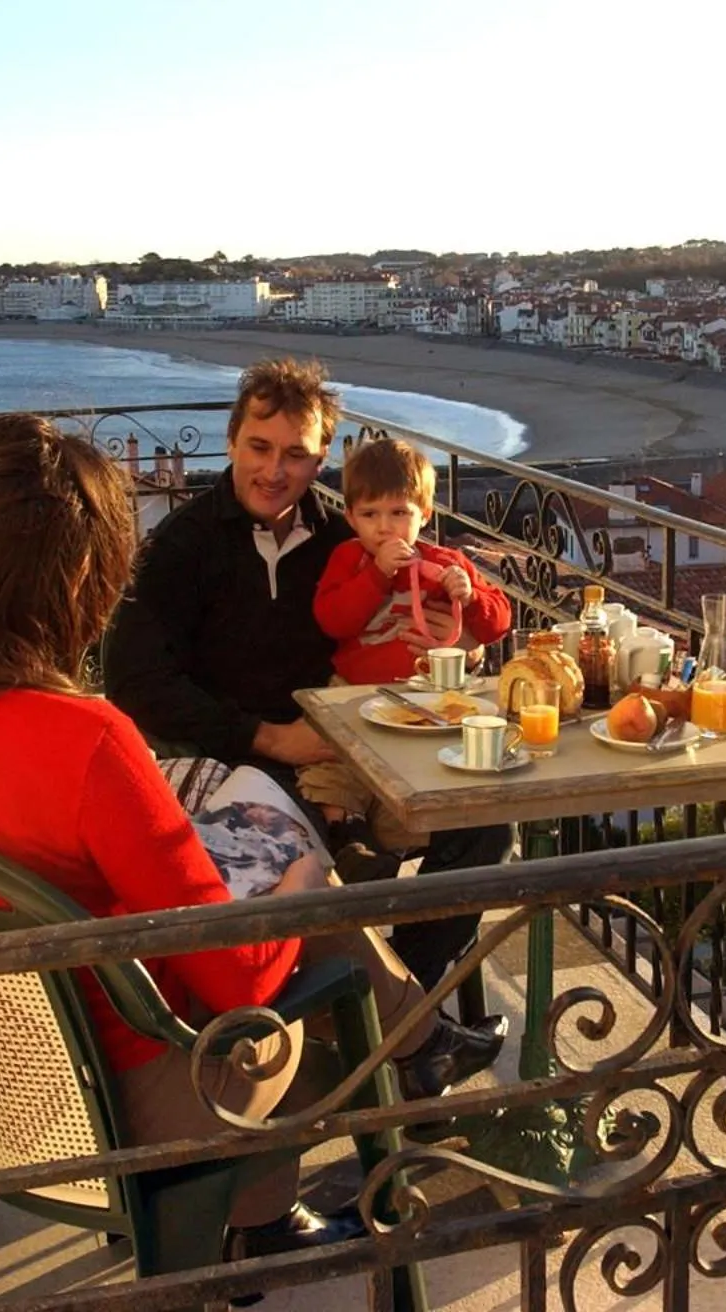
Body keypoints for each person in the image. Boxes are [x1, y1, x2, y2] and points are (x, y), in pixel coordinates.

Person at [0, 414, 499, 1260]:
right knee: (317, 936)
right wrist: (302, 885)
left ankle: (343, 1135)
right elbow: (239, 976)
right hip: (122, 1094)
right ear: (75, 583)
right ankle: (392, 1082)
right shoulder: (81, 739)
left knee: (280, 901)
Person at [104, 358, 513, 997]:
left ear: (321, 459)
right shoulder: (181, 548)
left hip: (371, 747)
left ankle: (408, 1001)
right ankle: (389, 1012)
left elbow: (447, 622)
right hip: (244, 765)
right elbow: (133, 680)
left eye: (295, 454)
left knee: (486, 826)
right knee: (325, 858)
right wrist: (270, 737)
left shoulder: (349, 539)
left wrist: (454, 638)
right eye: (259, 447)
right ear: (231, 442)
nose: (274, 471)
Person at [302, 436, 511, 845]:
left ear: (424, 514)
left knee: (415, 775)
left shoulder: (446, 563)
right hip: (353, 693)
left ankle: (395, 843)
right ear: (351, 517)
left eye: (399, 512)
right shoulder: (349, 559)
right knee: (333, 768)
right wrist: (376, 574)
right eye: (370, 514)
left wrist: (470, 598)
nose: (384, 527)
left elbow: (498, 622)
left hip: (426, 699)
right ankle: (347, 833)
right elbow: (333, 620)